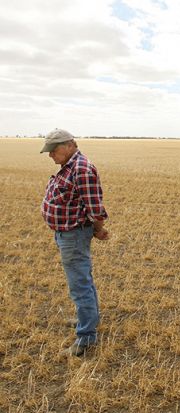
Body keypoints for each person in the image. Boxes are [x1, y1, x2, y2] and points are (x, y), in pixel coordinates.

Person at [40, 129, 110, 357]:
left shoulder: (81, 169)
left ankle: (86, 338)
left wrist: (98, 230)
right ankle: (87, 319)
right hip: (66, 233)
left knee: (79, 285)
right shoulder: (70, 167)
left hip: (74, 235)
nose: (51, 155)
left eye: (54, 149)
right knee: (83, 280)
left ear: (70, 144)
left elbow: (95, 209)